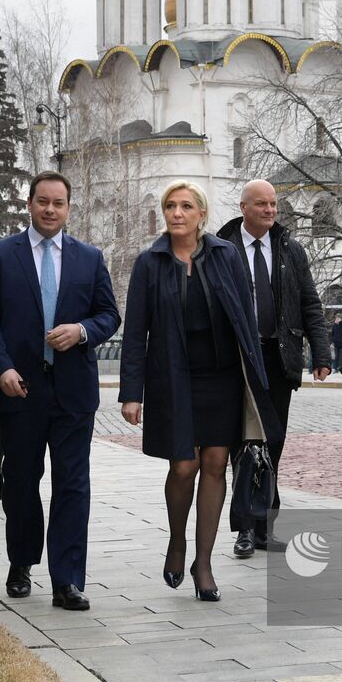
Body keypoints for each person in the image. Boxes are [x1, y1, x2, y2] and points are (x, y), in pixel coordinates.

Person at [120, 181, 281, 602]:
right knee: (183, 467)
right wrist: (130, 392)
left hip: (222, 378)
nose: (177, 213)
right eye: (170, 206)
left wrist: (257, 385)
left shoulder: (225, 255)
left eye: (186, 206)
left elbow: (245, 320)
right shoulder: (149, 263)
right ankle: (177, 542)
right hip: (173, 377)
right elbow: (135, 331)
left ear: (201, 214)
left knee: (214, 464)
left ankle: (204, 562)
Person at [0, 171, 121, 610]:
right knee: (21, 481)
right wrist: (2, 369)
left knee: (73, 484)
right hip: (19, 390)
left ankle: (67, 580)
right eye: (43, 201)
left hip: (73, 392)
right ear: (30, 204)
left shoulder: (89, 258)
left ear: (69, 208)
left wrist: (82, 330)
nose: (50, 209)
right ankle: (21, 562)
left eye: (58, 203)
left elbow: (109, 314)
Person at [216, 179, 331, 558]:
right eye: (261, 204)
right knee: (245, 443)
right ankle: (246, 530)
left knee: (274, 442)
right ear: (244, 207)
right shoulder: (221, 248)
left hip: (279, 357)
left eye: (273, 204)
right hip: (238, 361)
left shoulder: (290, 249)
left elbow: (310, 303)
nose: (269, 210)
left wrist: (322, 354)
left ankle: (265, 528)